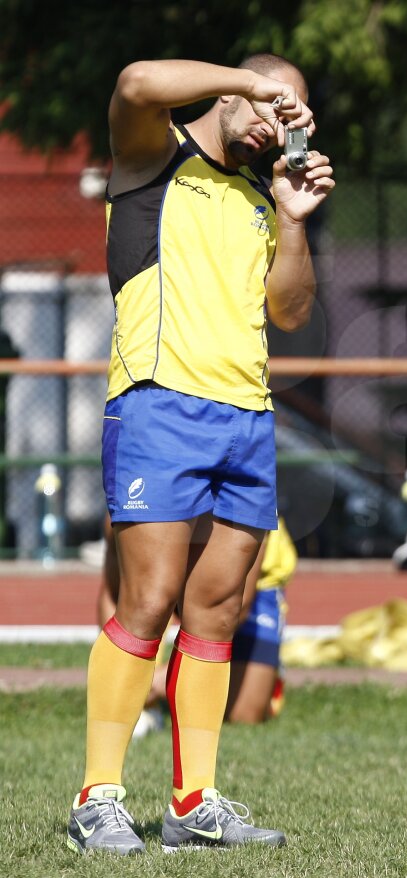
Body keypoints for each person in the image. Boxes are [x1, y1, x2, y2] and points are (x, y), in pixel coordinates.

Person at [68, 54, 334, 856]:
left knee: (217, 610)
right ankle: (97, 797)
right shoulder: (154, 154)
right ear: (232, 92)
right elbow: (133, 79)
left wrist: (292, 216)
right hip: (158, 405)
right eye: (270, 107)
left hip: (246, 418)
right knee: (147, 600)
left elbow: (289, 312)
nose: (273, 127)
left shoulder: (260, 194)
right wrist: (256, 84)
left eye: (289, 117)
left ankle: (193, 803)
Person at [95, 513, 299, 732]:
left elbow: (236, 610)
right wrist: (120, 670)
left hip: (250, 586)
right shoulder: (135, 497)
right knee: (141, 595)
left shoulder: (242, 492)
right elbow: (115, 595)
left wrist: (157, 682)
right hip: (168, 572)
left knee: (244, 714)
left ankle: (263, 666)